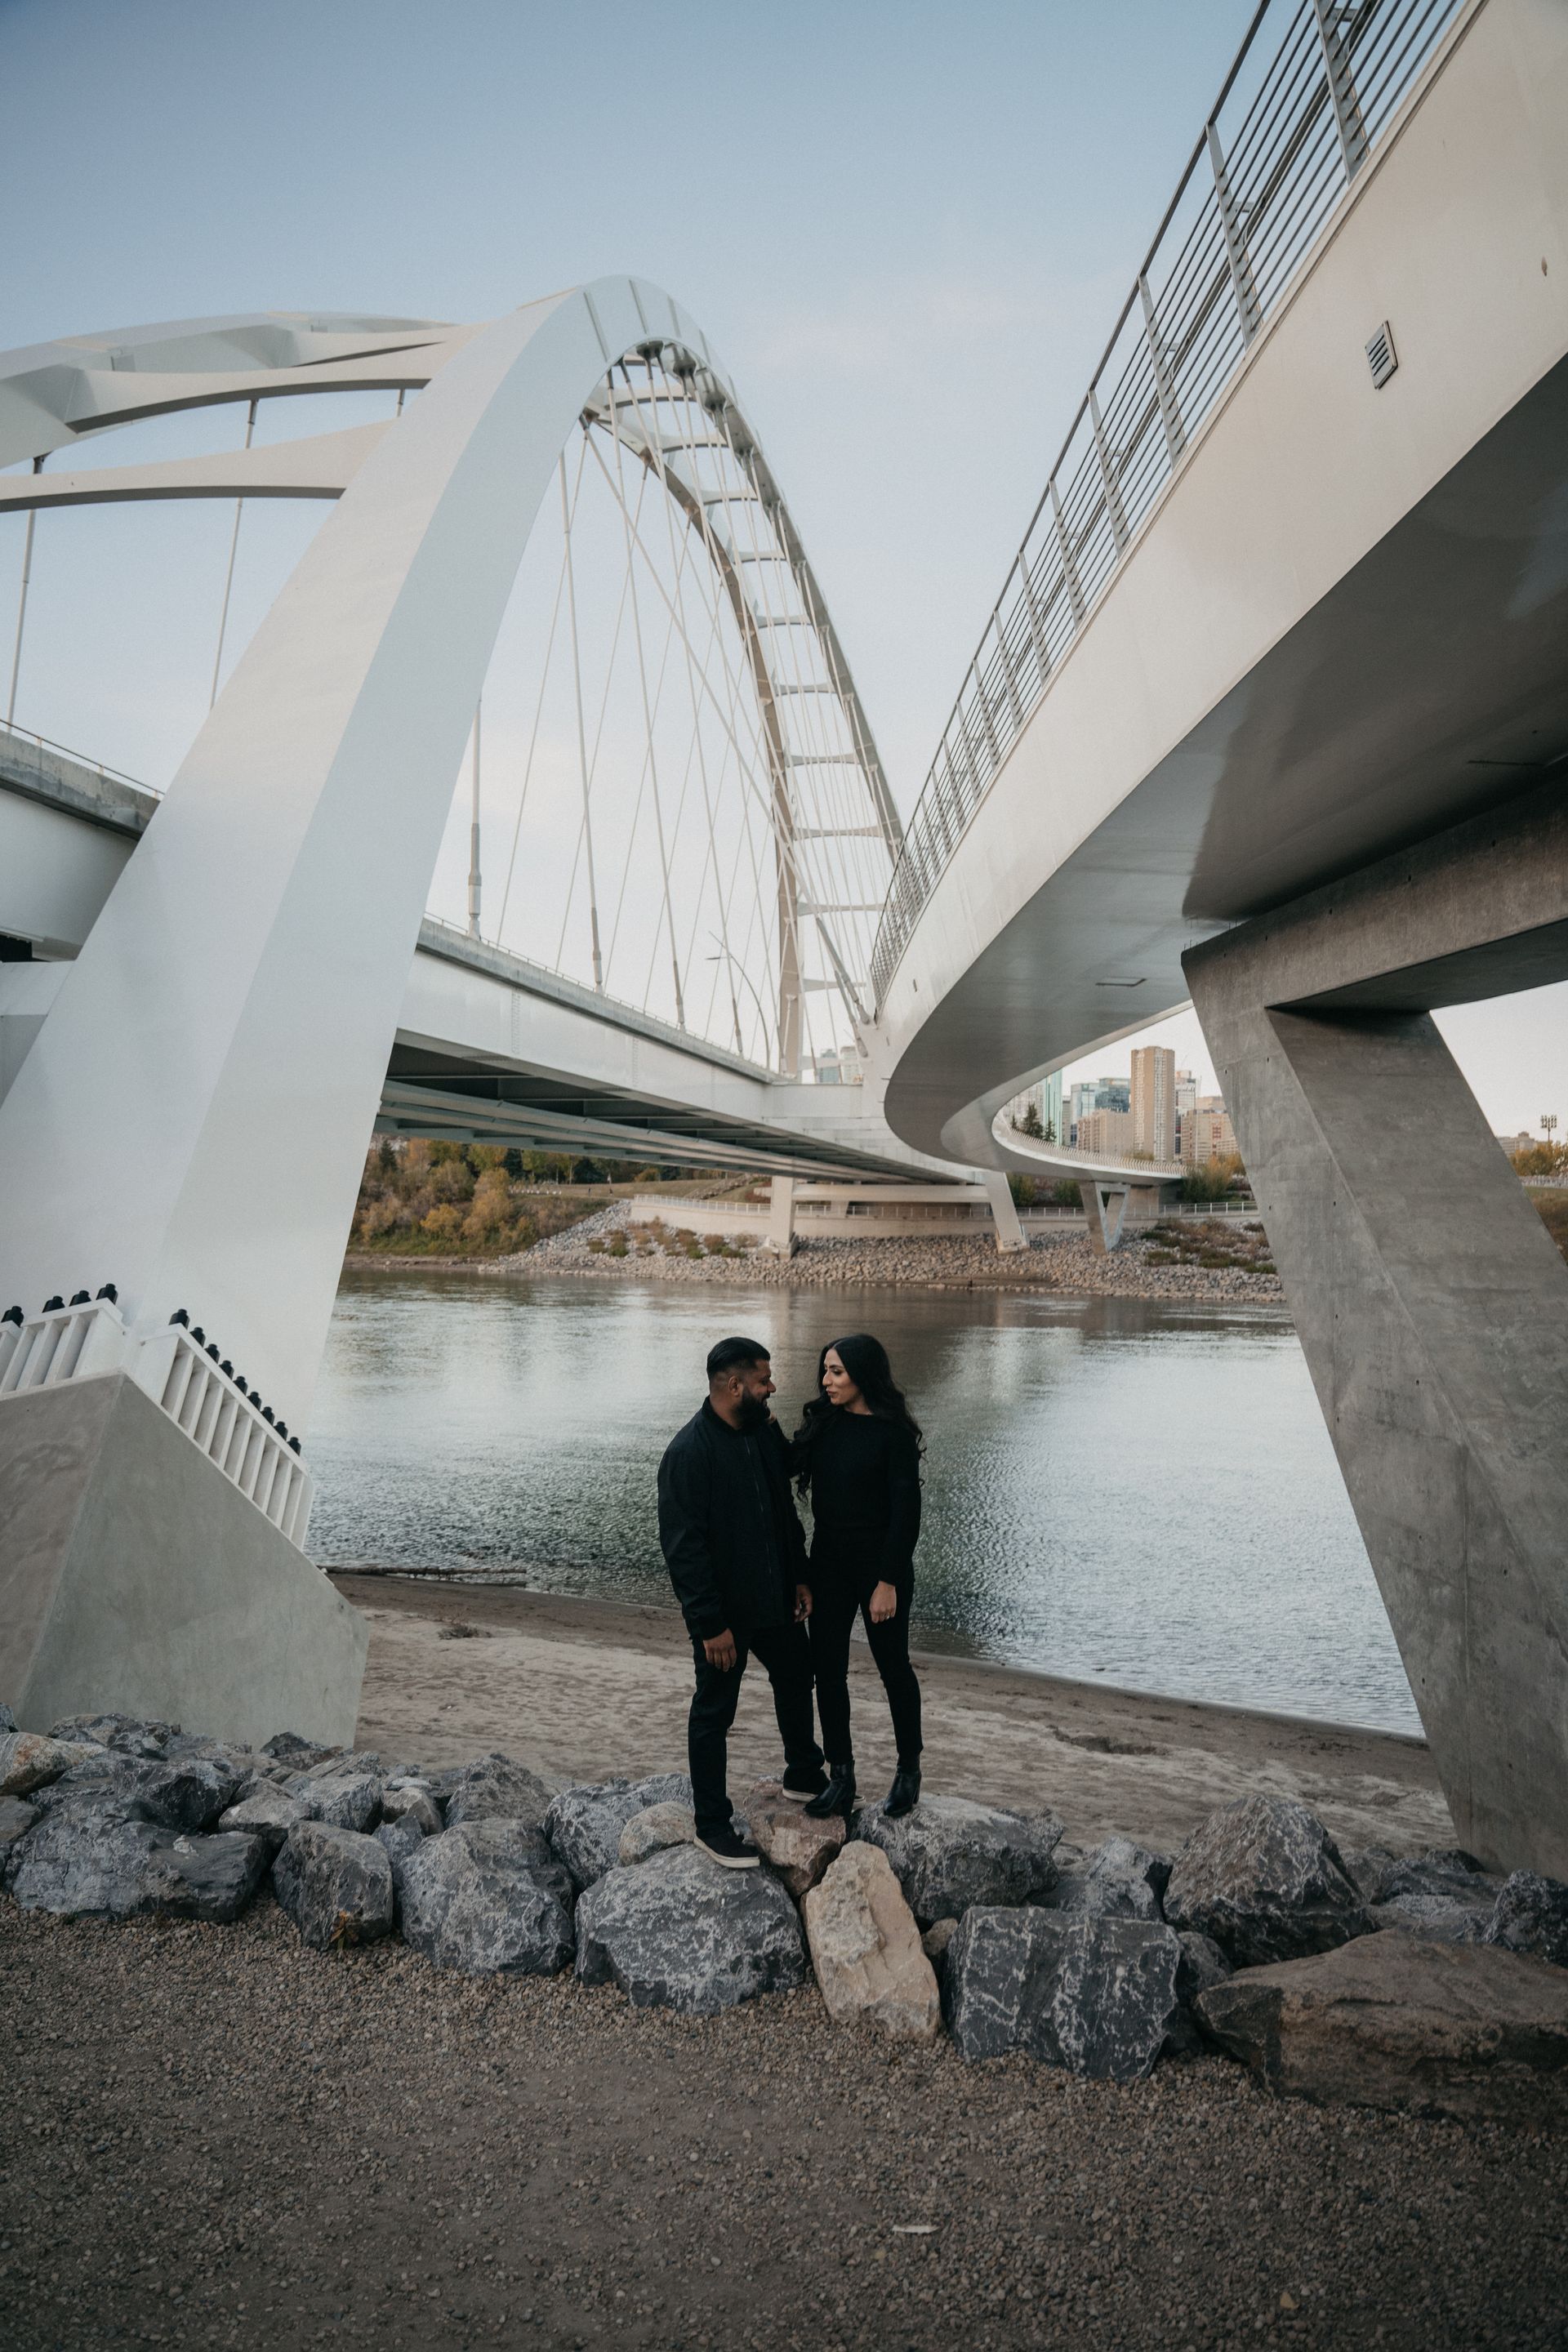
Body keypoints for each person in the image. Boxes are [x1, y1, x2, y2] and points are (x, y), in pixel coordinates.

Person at [657, 1335, 826, 1866]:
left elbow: (784, 1515)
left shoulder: (759, 1433)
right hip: (724, 1617)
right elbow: (684, 1551)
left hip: (774, 1599)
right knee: (714, 1712)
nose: (772, 1387)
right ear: (734, 1386)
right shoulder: (688, 1454)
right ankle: (712, 1824)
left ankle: (803, 1773)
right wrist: (708, 1625)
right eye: (763, 1380)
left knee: (798, 1675)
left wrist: (799, 1578)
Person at [791, 1333, 924, 1821]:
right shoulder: (822, 1425)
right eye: (825, 1371)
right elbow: (782, 1464)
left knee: (894, 1669)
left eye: (837, 1372)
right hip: (827, 1563)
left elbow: (906, 1514)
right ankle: (841, 1776)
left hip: (879, 1569)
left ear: (863, 1376)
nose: (826, 1381)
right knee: (826, 1670)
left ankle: (908, 1771)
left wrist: (887, 1580)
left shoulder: (893, 1435)